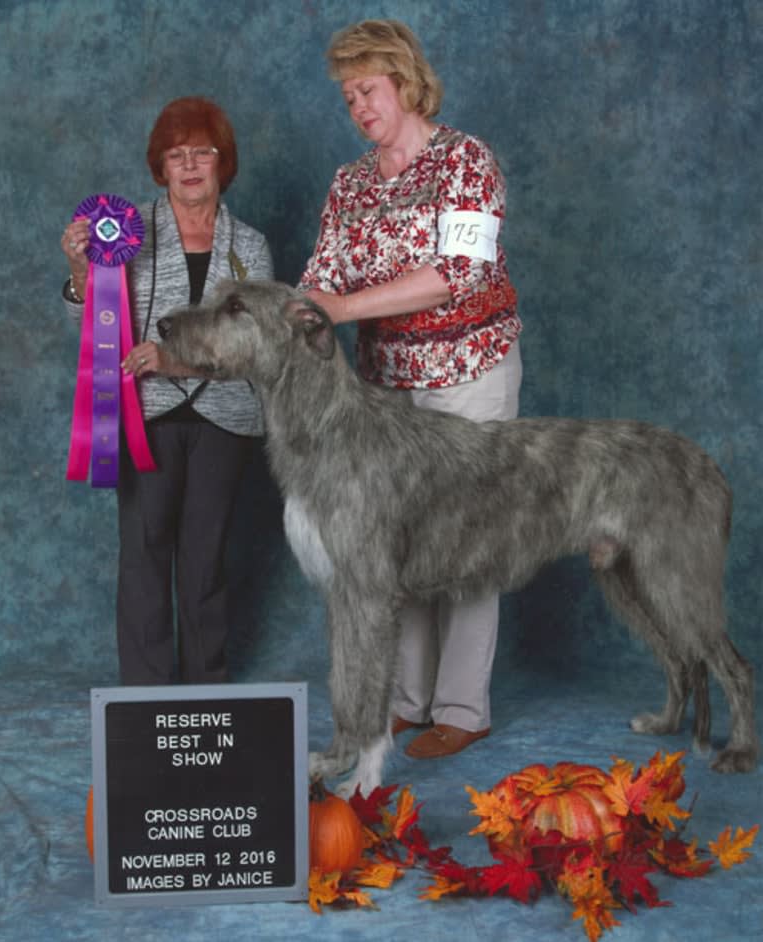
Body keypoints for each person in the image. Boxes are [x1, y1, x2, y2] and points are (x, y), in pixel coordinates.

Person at [299, 20, 523, 759]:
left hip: (469, 376)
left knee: (467, 537)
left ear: (402, 79)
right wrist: (295, 312)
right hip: (385, 392)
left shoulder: (465, 160)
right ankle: (406, 699)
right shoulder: (351, 182)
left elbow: (460, 276)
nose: (358, 106)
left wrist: (342, 310)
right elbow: (321, 278)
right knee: (394, 544)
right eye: (347, 97)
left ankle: (463, 705)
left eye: (366, 89)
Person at [61, 96, 273, 685]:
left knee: (205, 563)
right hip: (142, 415)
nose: (189, 165)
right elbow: (97, 318)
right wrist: (82, 269)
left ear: (221, 162)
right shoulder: (126, 233)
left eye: (202, 152)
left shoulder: (249, 246)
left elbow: (259, 347)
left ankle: (207, 693)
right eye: (176, 155)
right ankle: (146, 697)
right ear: (161, 166)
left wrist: (174, 361)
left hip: (226, 421)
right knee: (146, 557)